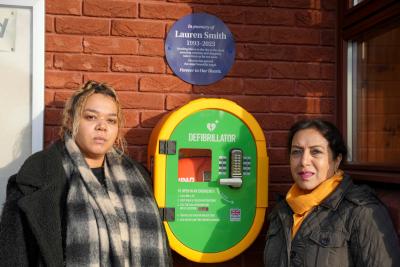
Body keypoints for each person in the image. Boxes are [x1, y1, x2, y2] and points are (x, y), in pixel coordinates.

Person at [0, 81, 171, 266]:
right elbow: (15, 254)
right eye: (91, 117)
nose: (102, 126)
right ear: (70, 120)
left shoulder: (137, 177)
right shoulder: (39, 174)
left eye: (111, 120)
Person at [263, 119, 400, 267]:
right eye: (297, 151)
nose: (304, 161)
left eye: (316, 152)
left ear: (336, 160)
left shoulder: (361, 211)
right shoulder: (282, 211)